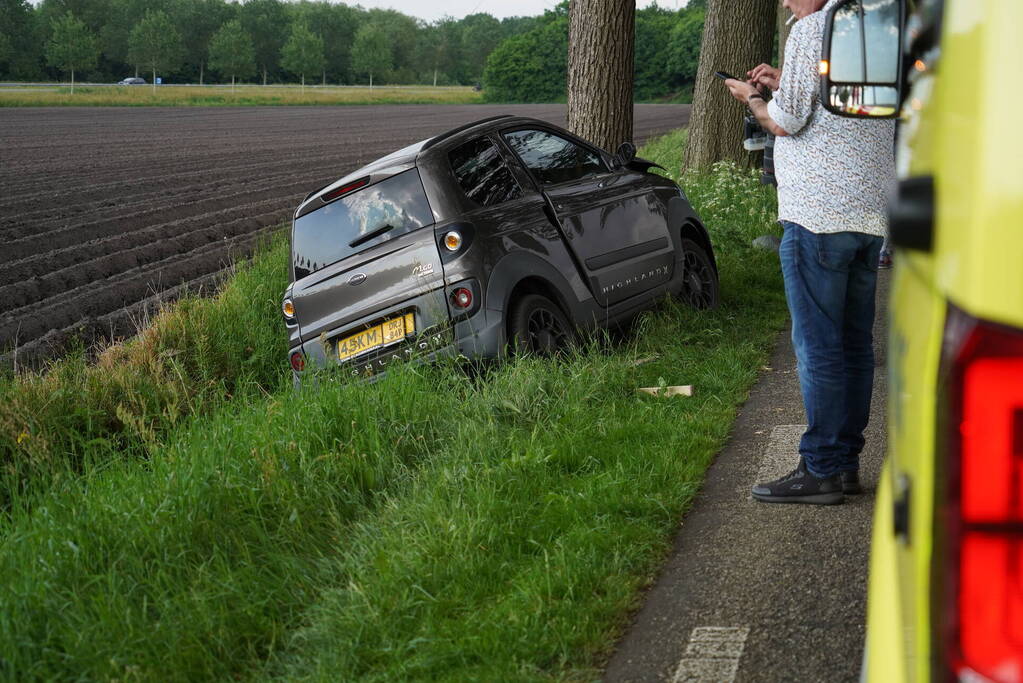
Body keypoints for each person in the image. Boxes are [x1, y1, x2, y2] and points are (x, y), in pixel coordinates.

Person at [723, 0, 896, 504]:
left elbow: (786, 122)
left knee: (819, 346)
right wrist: (785, 81)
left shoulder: (809, 29)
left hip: (817, 215)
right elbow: (842, 102)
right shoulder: (878, 25)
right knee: (854, 344)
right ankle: (844, 464)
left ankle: (820, 468)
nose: (783, 2)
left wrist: (753, 99)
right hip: (869, 211)